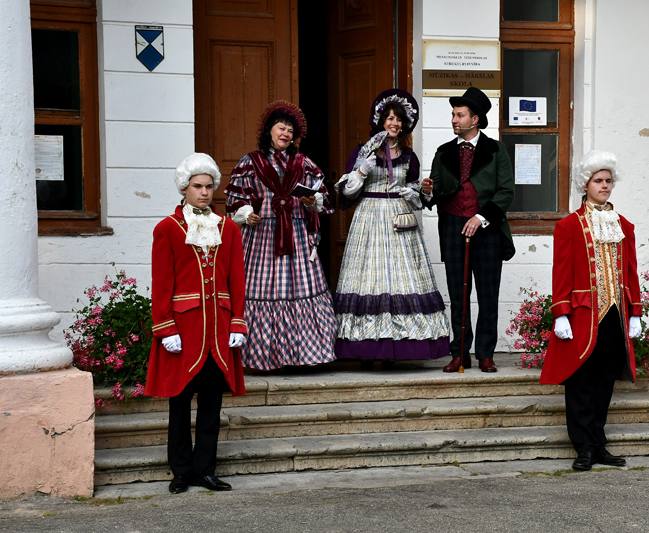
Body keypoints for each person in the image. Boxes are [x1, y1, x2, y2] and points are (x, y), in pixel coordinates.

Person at [145, 152, 247, 494]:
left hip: (217, 332)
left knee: (211, 404)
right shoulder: (167, 229)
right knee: (179, 404)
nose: (204, 192)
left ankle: (205, 469)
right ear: (184, 189)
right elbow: (161, 284)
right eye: (197, 186)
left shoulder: (228, 228)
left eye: (208, 186)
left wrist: (237, 322)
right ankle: (180, 472)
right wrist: (165, 328)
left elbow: (237, 280)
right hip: (183, 332)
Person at [539, 150, 643, 472]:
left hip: (614, 313)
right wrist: (561, 313)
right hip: (583, 314)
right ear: (586, 184)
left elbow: (631, 270)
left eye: (608, 181)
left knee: (604, 382)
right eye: (598, 181)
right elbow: (562, 272)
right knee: (581, 382)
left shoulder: (623, 224)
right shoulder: (569, 226)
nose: (605, 186)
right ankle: (583, 447)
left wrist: (635, 311)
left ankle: (599, 445)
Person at [335, 89, 450, 368]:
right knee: (368, 279)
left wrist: (421, 190)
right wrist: (363, 169)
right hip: (369, 219)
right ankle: (364, 351)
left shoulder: (409, 156)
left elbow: (414, 193)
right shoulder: (363, 151)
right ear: (380, 122)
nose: (394, 123)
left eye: (398, 119)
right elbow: (347, 193)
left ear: (405, 124)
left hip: (399, 220)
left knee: (401, 278)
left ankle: (395, 351)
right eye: (389, 118)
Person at [225, 101, 337, 371]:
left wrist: (313, 201)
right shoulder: (250, 162)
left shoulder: (304, 163)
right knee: (259, 290)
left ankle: (304, 356)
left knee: (301, 289)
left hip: (297, 235)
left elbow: (325, 198)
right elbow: (234, 197)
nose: (285, 133)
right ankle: (258, 357)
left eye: (290, 130)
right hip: (262, 234)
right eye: (281, 128)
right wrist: (246, 212)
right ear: (269, 130)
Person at [421, 87, 515, 373]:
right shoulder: (444, 152)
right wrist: (427, 191)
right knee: (457, 293)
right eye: (453, 114)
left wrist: (481, 217)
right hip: (452, 227)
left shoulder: (496, 150)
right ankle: (460, 353)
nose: (454, 119)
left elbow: (506, 192)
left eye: (459, 115)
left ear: (475, 119)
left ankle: (486, 353)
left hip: (487, 231)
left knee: (488, 293)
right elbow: (434, 192)